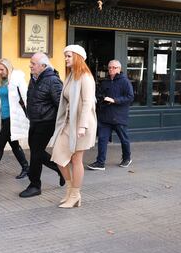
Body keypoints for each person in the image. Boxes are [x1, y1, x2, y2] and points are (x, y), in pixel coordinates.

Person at [51, 44, 97, 208]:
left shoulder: (85, 77)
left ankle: (75, 194)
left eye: (69, 56)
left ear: (77, 57)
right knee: (59, 158)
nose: (66, 59)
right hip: (68, 123)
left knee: (76, 160)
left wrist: (82, 126)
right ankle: (70, 191)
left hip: (82, 125)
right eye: (65, 56)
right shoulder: (71, 77)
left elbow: (87, 103)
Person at [19, 52, 65, 198]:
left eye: (33, 63)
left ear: (43, 66)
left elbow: (61, 105)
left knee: (36, 153)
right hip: (34, 120)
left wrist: (61, 126)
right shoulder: (34, 78)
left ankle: (35, 185)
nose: (30, 65)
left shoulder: (53, 81)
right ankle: (59, 169)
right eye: (31, 63)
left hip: (47, 122)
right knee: (36, 151)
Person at [87, 59, 134, 170]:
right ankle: (100, 163)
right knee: (102, 140)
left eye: (114, 67)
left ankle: (127, 158)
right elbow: (99, 95)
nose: (111, 69)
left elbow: (130, 97)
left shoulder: (125, 81)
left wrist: (115, 100)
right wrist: (101, 99)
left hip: (119, 116)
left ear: (119, 69)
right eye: (109, 67)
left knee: (124, 139)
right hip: (105, 116)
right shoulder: (105, 81)